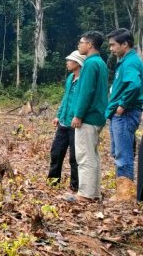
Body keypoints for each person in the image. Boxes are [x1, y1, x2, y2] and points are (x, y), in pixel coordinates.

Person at [66, 31, 108, 202]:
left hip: (88, 116)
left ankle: (86, 193)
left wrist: (78, 115)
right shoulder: (100, 63)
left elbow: (86, 92)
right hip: (97, 115)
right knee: (93, 155)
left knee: (84, 156)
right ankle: (94, 192)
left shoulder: (90, 64)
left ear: (89, 45)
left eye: (81, 42)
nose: (79, 45)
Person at [104, 28, 143, 201]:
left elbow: (134, 85)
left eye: (113, 45)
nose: (111, 49)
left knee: (123, 153)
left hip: (126, 114)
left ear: (125, 44)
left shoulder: (131, 62)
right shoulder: (125, 61)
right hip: (119, 114)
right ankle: (123, 189)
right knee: (118, 152)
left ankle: (126, 194)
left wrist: (122, 105)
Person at [48, 50, 85, 192]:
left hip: (75, 123)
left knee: (74, 158)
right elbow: (65, 98)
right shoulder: (70, 78)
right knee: (56, 152)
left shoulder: (84, 80)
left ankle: (75, 185)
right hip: (64, 121)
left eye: (70, 60)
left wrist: (79, 116)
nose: (67, 63)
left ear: (77, 63)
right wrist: (58, 115)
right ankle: (53, 181)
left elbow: (83, 100)